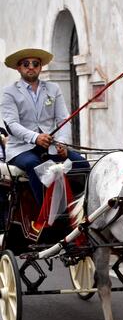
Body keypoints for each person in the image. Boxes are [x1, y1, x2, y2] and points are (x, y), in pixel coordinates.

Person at [1, 48, 90, 208]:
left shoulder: (53, 89)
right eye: (26, 63)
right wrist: (36, 137)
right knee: (36, 166)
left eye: (35, 63)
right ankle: (49, 213)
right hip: (21, 149)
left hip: (51, 146)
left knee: (82, 165)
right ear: (18, 67)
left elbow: (63, 119)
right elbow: (12, 125)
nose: (31, 67)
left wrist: (62, 143)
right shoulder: (9, 92)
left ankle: (80, 207)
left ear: (40, 67)